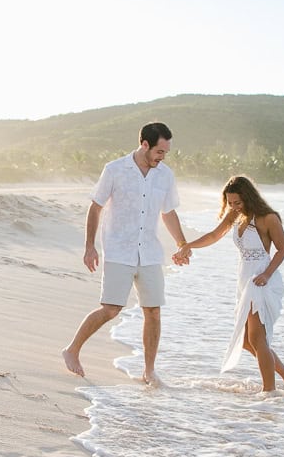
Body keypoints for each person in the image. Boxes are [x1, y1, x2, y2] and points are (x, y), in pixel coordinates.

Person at [62, 122, 191, 386]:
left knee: (153, 311)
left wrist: (182, 243)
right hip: (119, 249)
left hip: (150, 253)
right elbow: (95, 207)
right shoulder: (115, 169)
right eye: (159, 151)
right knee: (111, 309)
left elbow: (168, 212)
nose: (162, 157)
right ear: (145, 144)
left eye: (166, 152)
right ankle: (72, 349)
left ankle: (149, 370)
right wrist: (89, 246)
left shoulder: (165, 175)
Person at [176, 175, 284, 393]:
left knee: (257, 338)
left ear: (249, 197)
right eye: (230, 203)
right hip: (244, 279)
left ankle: (269, 391)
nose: (233, 207)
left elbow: (282, 249)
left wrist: (267, 275)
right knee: (247, 341)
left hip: (262, 280)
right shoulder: (235, 216)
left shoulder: (268, 218)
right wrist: (188, 245)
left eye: (238, 202)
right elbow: (214, 235)